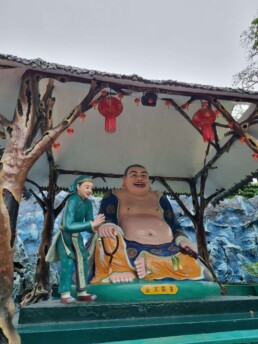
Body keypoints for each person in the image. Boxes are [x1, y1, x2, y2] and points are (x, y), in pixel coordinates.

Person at [90, 164, 212, 284]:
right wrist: (108, 225)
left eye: (144, 175)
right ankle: (120, 268)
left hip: (167, 247)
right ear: (124, 180)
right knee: (107, 235)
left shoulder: (159, 198)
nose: (139, 178)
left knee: (189, 261)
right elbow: (106, 217)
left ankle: (149, 265)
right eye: (134, 175)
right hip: (129, 246)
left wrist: (182, 239)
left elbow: (174, 224)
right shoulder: (114, 195)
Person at [46, 176, 105, 303]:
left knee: (83, 261)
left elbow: (90, 224)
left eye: (91, 188)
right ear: (78, 187)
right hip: (65, 238)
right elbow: (68, 225)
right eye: (87, 187)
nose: (90, 191)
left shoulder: (88, 203)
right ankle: (65, 294)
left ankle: (82, 292)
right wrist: (91, 224)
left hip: (77, 238)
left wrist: (96, 227)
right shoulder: (72, 200)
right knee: (67, 264)